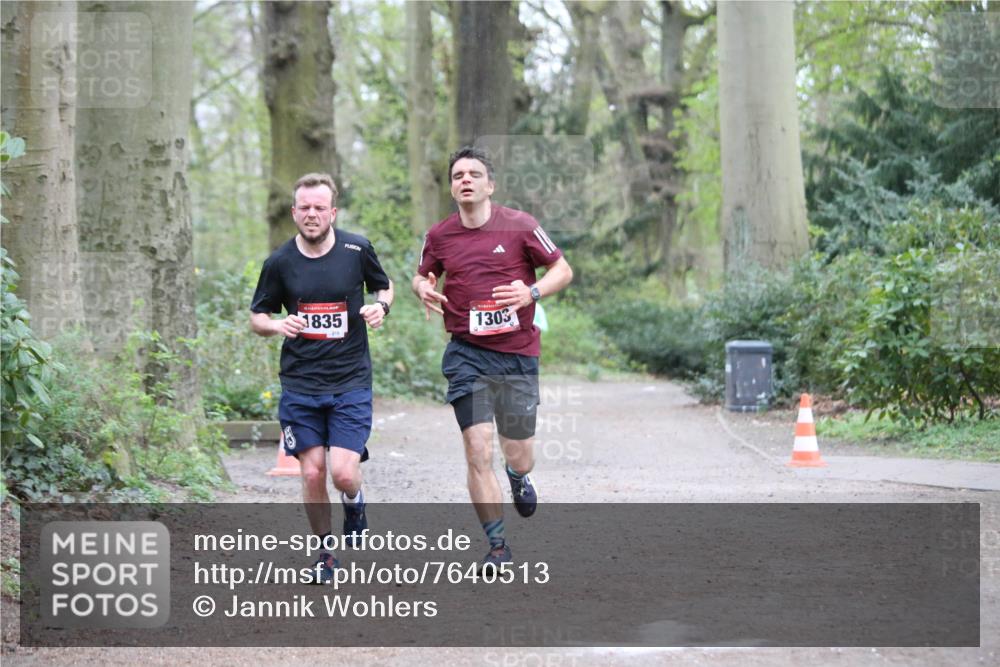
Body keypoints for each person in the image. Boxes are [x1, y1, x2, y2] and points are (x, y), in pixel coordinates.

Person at [412, 146, 573, 570]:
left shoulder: (521, 227)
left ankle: (518, 477)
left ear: (490, 185)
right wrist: (420, 287)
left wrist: (531, 292)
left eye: (474, 174)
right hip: (466, 354)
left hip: (517, 354)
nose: (465, 179)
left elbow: (563, 269)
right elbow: (422, 273)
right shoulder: (439, 235)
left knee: (519, 453)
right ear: (452, 187)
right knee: (476, 449)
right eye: (458, 175)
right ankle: (497, 546)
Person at [250, 172, 393, 582]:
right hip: (300, 384)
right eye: (304, 208)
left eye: (319, 208)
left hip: (350, 380)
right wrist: (277, 326)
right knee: (311, 472)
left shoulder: (356, 249)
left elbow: (385, 287)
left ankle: (355, 498)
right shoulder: (279, 262)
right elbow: (257, 316)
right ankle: (325, 555)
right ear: (294, 212)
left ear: (333, 212)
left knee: (343, 473)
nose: (312, 215)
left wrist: (380, 309)